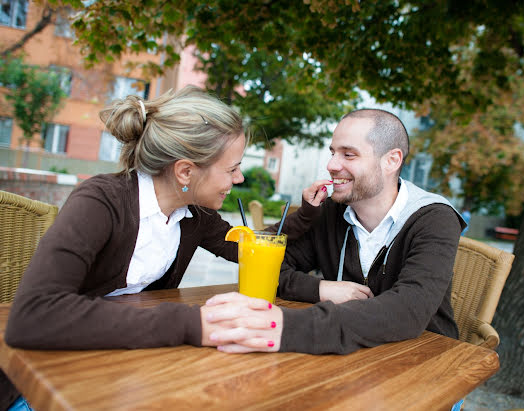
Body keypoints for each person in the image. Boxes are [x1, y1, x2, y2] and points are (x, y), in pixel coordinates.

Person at [1, 85, 329, 409]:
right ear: (185, 170)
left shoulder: (195, 216)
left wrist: (307, 212)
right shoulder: (100, 203)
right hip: (48, 375)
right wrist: (192, 324)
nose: (240, 178)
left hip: (125, 363)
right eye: (232, 168)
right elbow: (33, 315)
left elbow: (249, 244)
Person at [204, 108, 466, 355]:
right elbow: (270, 269)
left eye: (348, 154)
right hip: (350, 357)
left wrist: (286, 324)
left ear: (391, 160)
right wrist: (320, 289)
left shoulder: (435, 218)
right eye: (332, 152)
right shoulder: (332, 211)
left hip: (425, 362)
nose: (331, 164)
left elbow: (409, 310)